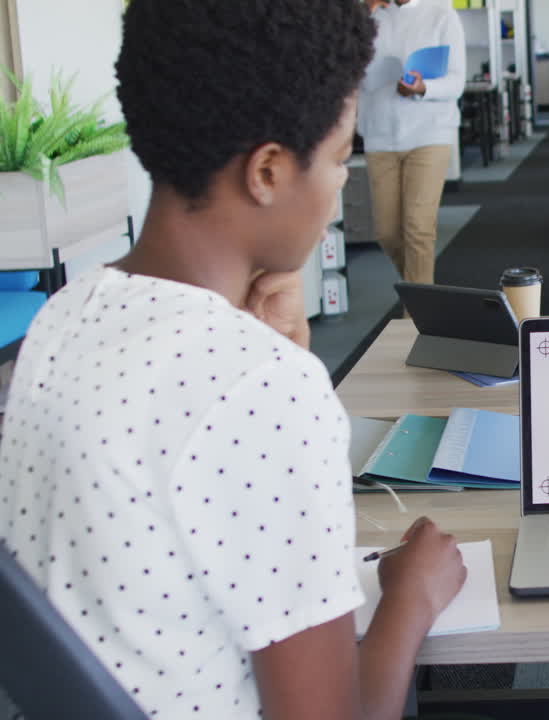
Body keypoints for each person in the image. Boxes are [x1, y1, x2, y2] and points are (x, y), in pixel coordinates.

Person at [0, 2, 466, 718]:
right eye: (339, 159)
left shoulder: (64, 317)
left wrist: (277, 359)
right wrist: (412, 596)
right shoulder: (259, 388)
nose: (340, 185)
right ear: (268, 172)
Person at [359, 0, 466, 285]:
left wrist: (423, 87)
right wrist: (363, 16)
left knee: (418, 229)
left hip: (430, 133)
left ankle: (417, 308)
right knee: (387, 233)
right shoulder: (368, 16)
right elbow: (347, 66)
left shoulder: (441, 15)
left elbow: (457, 82)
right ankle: (423, 294)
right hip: (379, 134)